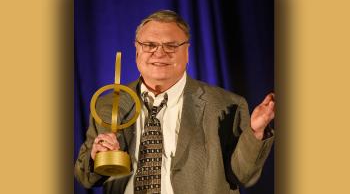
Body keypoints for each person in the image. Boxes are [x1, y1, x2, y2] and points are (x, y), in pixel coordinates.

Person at [75, 10, 275, 194]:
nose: (159, 53)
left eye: (171, 45)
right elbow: (85, 178)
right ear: (137, 51)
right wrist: (96, 156)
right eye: (150, 45)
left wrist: (255, 132)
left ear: (187, 52)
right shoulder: (110, 104)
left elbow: (243, 176)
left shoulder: (225, 105)